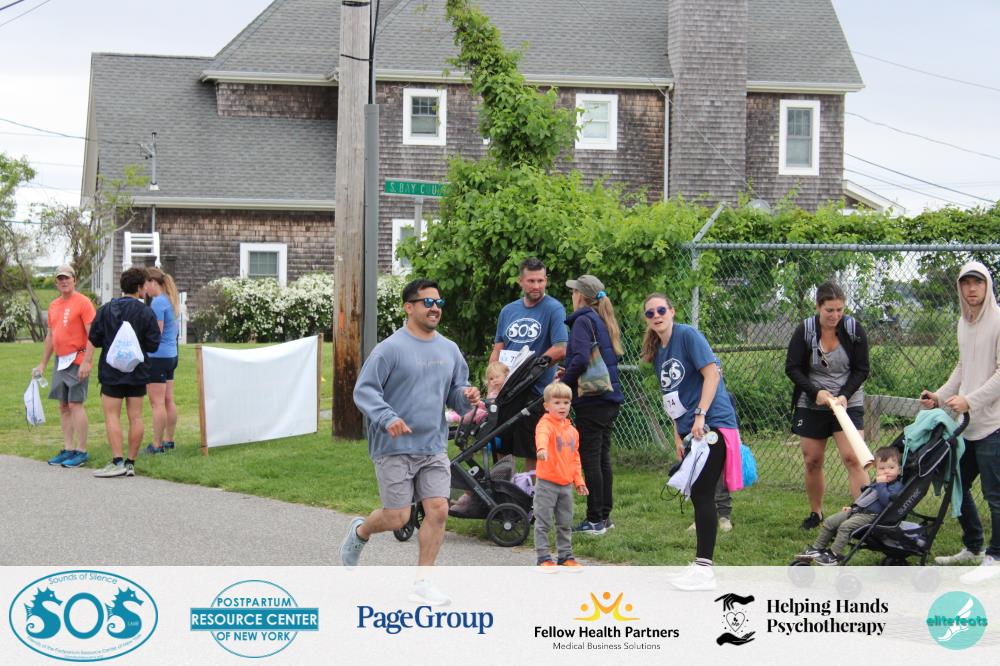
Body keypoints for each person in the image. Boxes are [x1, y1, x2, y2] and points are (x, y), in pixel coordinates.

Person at [345, 278, 480, 605]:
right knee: (398, 518)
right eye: (427, 302)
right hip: (394, 448)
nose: (435, 308)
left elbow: (455, 392)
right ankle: (361, 531)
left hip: (433, 445)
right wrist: (387, 418)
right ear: (409, 307)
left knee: (439, 510)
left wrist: (466, 397)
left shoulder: (449, 349)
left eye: (439, 303)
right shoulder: (389, 349)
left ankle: (422, 583)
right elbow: (365, 390)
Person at [641, 294, 742, 591]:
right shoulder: (659, 351)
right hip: (691, 431)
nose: (657, 315)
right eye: (650, 313)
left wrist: (700, 415)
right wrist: (678, 433)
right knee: (699, 494)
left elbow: (712, 375)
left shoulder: (687, 335)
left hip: (713, 424)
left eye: (661, 310)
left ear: (672, 311)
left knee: (701, 492)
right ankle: (701, 566)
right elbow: (671, 397)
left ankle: (704, 570)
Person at [920, 262, 1000, 583]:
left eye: (977, 282)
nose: (971, 289)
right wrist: (939, 397)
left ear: (987, 285)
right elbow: (962, 367)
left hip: (994, 425)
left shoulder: (999, 320)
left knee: (995, 496)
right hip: (966, 426)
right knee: (957, 483)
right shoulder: (963, 323)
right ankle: (974, 546)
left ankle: (996, 556)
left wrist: (970, 400)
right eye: (966, 283)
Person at [785, 282, 870, 530]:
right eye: (829, 310)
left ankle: (864, 516)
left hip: (847, 401)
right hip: (813, 401)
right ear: (818, 307)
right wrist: (816, 393)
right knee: (812, 459)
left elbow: (862, 369)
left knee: (853, 458)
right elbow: (792, 367)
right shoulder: (806, 330)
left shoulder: (854, 330)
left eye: (839, 310)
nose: (835, 316)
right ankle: (816, 513)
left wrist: (844, 395)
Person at [489, 257, 568, 472]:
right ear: (520, 281)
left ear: (546, 281)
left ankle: (531, 490)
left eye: (541, 281)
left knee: (532, 448)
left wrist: (532, 367)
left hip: (535, 391)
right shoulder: (508, 311)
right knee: (501, 444)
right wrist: (492, 377)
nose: (536, 286)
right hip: (506, 390)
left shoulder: (554, 308)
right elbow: (498, 347)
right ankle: (504, 488)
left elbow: (561, 347)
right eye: (531, 281)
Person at [82, 267, 160, 478]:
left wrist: (86, 361)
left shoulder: (106, 309)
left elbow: (94, 339)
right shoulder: (146, 312)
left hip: (111, 371)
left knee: (112, 416)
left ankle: (117, 461)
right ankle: (130, 463)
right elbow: (153, 345)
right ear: (140, 287)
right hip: (137, 370)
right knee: (136, 416)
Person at [560, 275, 623, 535]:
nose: (572, 295)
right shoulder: (599, 319)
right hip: (608, 399)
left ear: (581, 296)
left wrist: (562, 383)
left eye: (574, 291)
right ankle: (604, 516)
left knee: (591, 460)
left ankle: (595, 519)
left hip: (593, 401)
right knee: (602, 459)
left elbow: (581, 359)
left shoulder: (582, 321)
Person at [796, 446, 903, 565]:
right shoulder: (877, 483)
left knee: (845, 526)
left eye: (891, 468)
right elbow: (867, 498)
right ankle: (817, 548)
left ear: (899, 470)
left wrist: (882, 485)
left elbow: (886, 501)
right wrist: (853, 507)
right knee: (830, 522)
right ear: (876, 469)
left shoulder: (896, 486)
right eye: (882, 468)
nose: (886, 471)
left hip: (872, 516)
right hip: (858, 511)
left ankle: (834, 555)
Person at [35, 265, 96, 469]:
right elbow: (51, 336)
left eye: (67, 278)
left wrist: (87, 361)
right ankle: (68, 448)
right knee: (63, 405)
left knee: (75, 404)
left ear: (74, 280)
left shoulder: (83, 303)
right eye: (60, 279)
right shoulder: (54, 305)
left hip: (78, 359)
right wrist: (43, 363)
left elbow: (93, 335)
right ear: (56, 283)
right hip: (60, 360)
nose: (64, 281)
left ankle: (82, 450)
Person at [533, 381, 587, 572]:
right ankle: (543, 558)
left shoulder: (572, 431)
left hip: (565, 485)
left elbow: (575, 457)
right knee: (543, 522)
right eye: (557, 402)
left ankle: (565, 556)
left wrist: (578, 480)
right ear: (546, 406)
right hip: (546, 483)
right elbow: (542, 435)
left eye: (566, 402)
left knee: (565, 522)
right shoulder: (545, 424)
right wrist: (541, 449)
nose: (562, 406)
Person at [450, 361, 510, 515]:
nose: (493, 381)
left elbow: (489, 406)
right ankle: (467, 496)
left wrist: (482, 403)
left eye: (496, 377)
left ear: (506, 377)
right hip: (486, 417)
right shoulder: (493, 392)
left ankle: (453, 416)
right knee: (471, 410)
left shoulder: (502, 394)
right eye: (490, 379)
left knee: (469, 413)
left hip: (487, 418)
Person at [143, 268, 180, 455]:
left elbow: (155, 333)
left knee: (157, 403)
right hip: (171, 355)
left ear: (153, 282)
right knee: (168, 400)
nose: (144, 289)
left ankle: (156, 445)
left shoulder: (158, 302)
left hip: (157, 357)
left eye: (145, 284)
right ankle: (169, 440)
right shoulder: (170, 300)